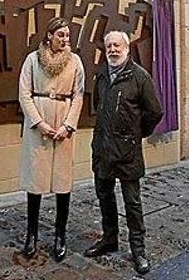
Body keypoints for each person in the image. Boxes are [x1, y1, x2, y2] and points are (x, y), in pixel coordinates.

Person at [85, 31, 164, 274]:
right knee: (105, 197)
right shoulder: (102, 75)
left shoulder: (140, 76)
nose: (113, 50)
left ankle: (138, 250)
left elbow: (155, 112)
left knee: (132, 203)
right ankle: (109, 239)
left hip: (128, 152)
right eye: (109, 46)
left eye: (117, 45)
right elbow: (97, 105)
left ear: (127, 48)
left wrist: (136, 133)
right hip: (103, 148)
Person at [18, 17, 86, 261]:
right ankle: (31, 234)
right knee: (35, 182)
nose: (65, 39)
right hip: (38, 126)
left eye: (67, 35)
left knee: (63, 182)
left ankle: (60, 235)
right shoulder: (32, 60)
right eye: (60, 35)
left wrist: (68, 125)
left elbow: (78, 95)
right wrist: (39, 123)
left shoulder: (75, 61)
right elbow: (24, 94)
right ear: (49, 36)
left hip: (63, 126)